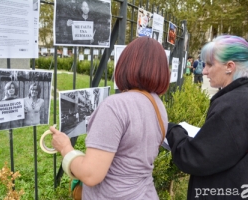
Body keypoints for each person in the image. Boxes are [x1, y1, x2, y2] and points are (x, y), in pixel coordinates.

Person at [49, 37, 170, 199]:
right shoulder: (158, 105)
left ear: (125, 64)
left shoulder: (115, 106)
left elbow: (91, 174)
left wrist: (65, 148)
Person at [166, 35, 248, 199]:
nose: (204, 71)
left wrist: (172, 130)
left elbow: (197, 158)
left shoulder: (231, 105)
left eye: (210, 64)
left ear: (229, 67)